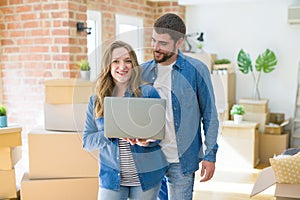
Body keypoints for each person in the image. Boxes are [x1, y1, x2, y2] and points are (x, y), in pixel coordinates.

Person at [141, 13, 219, 200]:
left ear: (179, 43)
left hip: (181, 160)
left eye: (163, 43)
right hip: (150, 157)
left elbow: (209, 115)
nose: (156, 48)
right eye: (153, 41)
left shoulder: (197, 70)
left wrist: (210, 155)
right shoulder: (143, 71)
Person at [82, 41, 168, 200]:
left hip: (146, 177)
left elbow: (160, 134)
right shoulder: (96, 101)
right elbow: (87, 142)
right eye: (116, 61)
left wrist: (147, 141)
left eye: (128, 61)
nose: (122, 66)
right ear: (108, 65)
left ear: (133, 64)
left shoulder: (148, 93)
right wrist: (111, 131)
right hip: (112, 179)